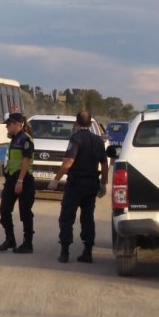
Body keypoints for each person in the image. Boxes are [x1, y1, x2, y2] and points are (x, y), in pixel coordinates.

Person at [48, 110, 109, 264]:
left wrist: (56, 179)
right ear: (90, 123)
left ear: (76, 123)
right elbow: (104, 164)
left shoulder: (76, 138)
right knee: (88, 218)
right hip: (91, 184)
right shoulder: (98, 140)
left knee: (67, 217)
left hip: (75, 185)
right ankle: (87, 252)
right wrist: (103, 183)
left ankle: (65, 252)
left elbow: (69, 161)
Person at [0, 112, 36, 254]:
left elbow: (26, 160)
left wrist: (20, 180)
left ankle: (28, 244)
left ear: (16, 124)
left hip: (24, 180)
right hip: (11, 180)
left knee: (25, 213)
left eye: (8, 124)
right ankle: (10, 240)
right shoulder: (14, 139)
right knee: (4, 211)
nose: (6, 126)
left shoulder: (25, 139)